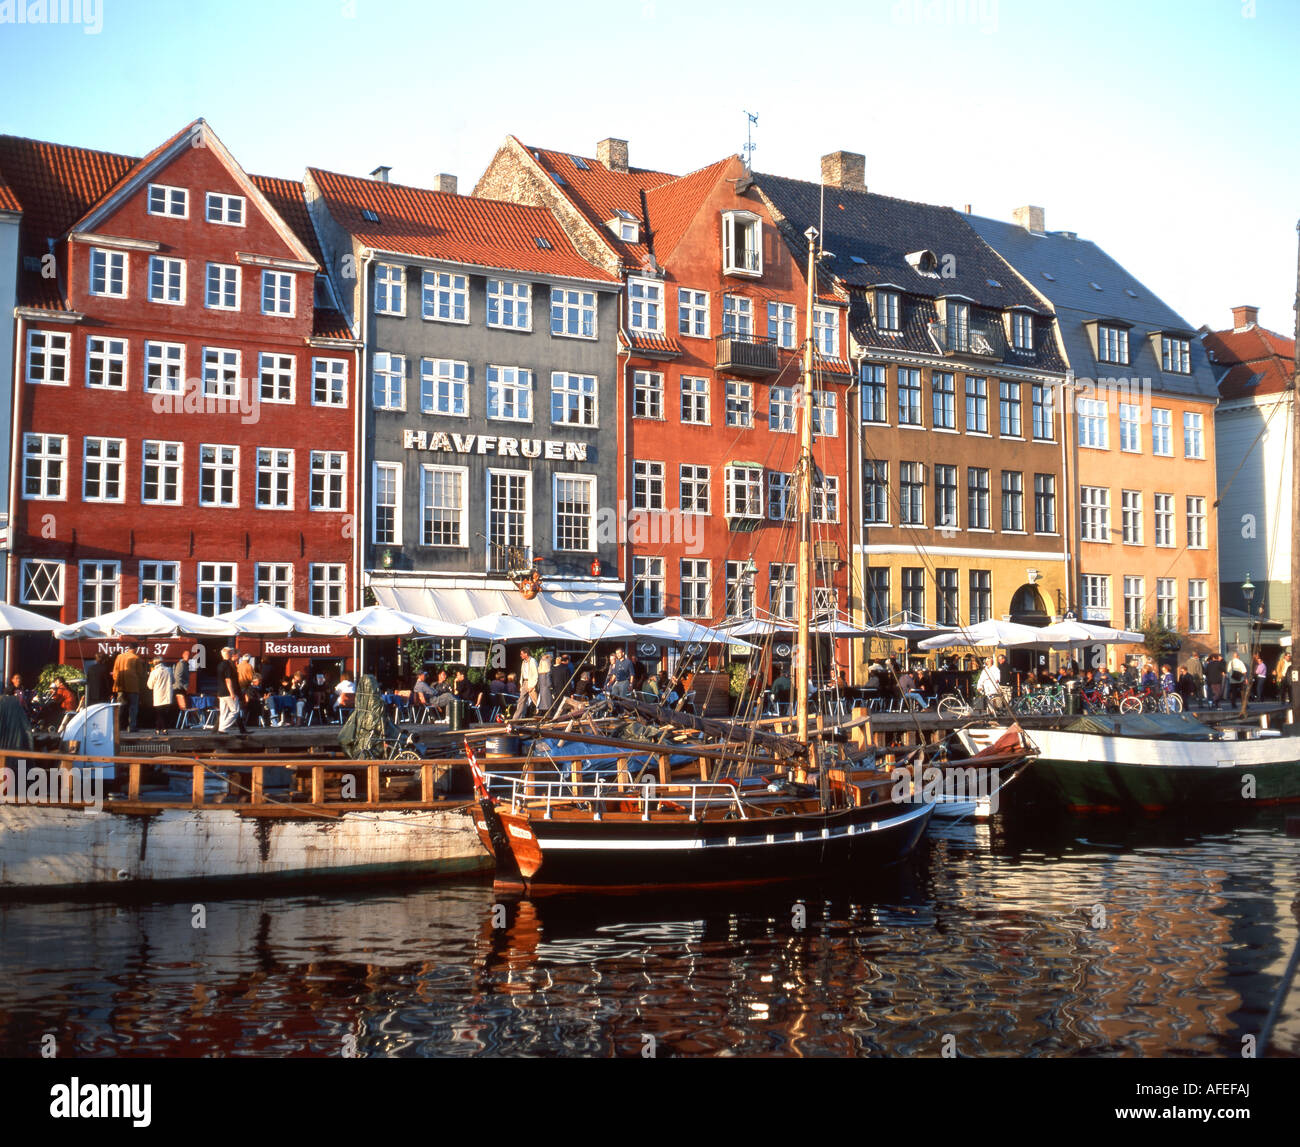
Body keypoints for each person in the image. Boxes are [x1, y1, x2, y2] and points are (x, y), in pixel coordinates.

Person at [111, 644, 148, 732]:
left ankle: (117, 726)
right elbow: (140, 673)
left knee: (120, 707)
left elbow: (115, 671)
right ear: (136, 649)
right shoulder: (136, 658)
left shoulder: (119, 657)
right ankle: (132, 726)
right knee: (133, 707)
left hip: (120, 686)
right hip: (133, 686)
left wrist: (118, 680)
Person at [216, 646, 246, 734]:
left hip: (221, 692)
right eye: (231, 653)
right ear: (229, 654)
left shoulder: (219, 665)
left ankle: (222, 729)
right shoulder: (228, 665)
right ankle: (222, 728)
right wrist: (232, 693)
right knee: (235, 711)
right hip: (228, 691)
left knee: (223, 712)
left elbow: (220, 679)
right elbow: (228, 680)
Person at [147, 656, 175, 732]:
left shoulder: (154, 672)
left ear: (155, 663)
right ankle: (160, 728)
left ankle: (161, 728)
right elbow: (173, 681)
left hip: (158, 695)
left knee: (159, 713)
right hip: (167, 695)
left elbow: (150, 686)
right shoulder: (169, 670)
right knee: (165, 713)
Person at [517, 649, 539, 718]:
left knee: (536, 701)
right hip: (525, 682)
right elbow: (522, 673)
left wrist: (532, 686)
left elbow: (536, 674)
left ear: (526, 654)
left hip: (531, 682)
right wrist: (521, 684)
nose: (520, 655)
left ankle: (541, 715)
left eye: (522, 654)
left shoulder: (533, 661)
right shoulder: (523, 662)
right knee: (521, 701)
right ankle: (517, 718)